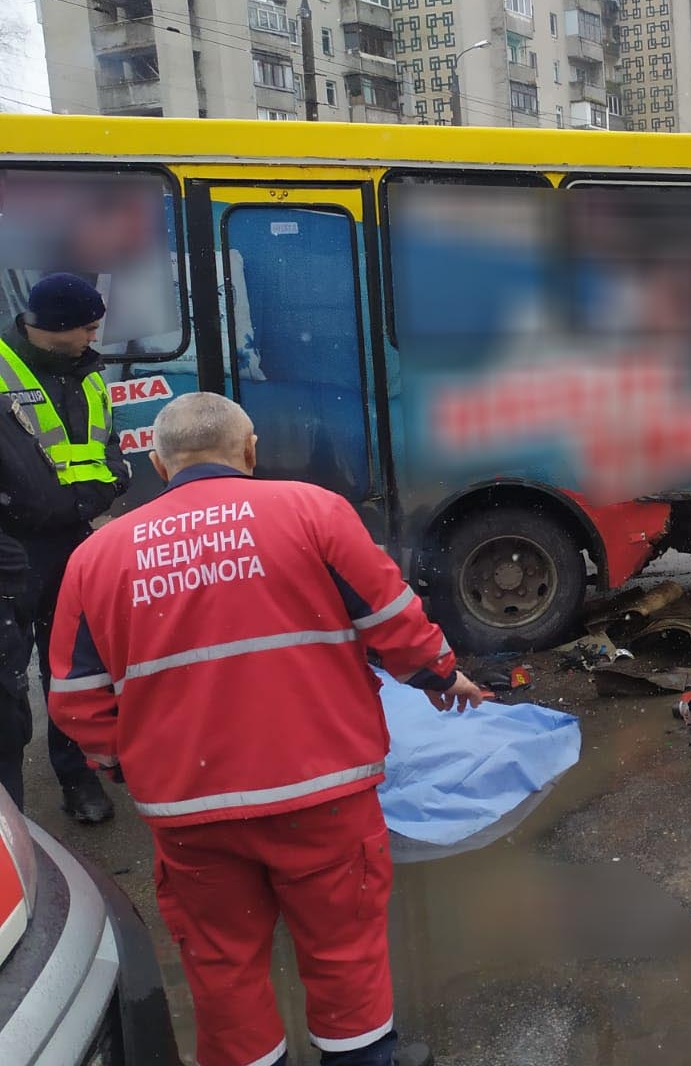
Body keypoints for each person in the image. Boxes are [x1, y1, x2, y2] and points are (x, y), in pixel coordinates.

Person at [48, 391, 487, 1066]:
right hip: (323, 791)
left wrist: (126, 765)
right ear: (249, 450)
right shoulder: (313, 512)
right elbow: (391, 617)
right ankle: (362, 1057)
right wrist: (438, 674)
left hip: (191, 812)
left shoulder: (98, 557)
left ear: (160, 466)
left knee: (222, 964)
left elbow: (76, 699)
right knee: (342, 946)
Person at [0, 272, 129, 822]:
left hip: (75, 542)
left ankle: (78, 781)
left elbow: (107, 444)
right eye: (87, 328)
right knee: (6, 678)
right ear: (54, 328)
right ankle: (9, 812)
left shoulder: (90, 375)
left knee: (72, 669)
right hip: (9, 547)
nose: (92, 339)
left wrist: (114, 480)